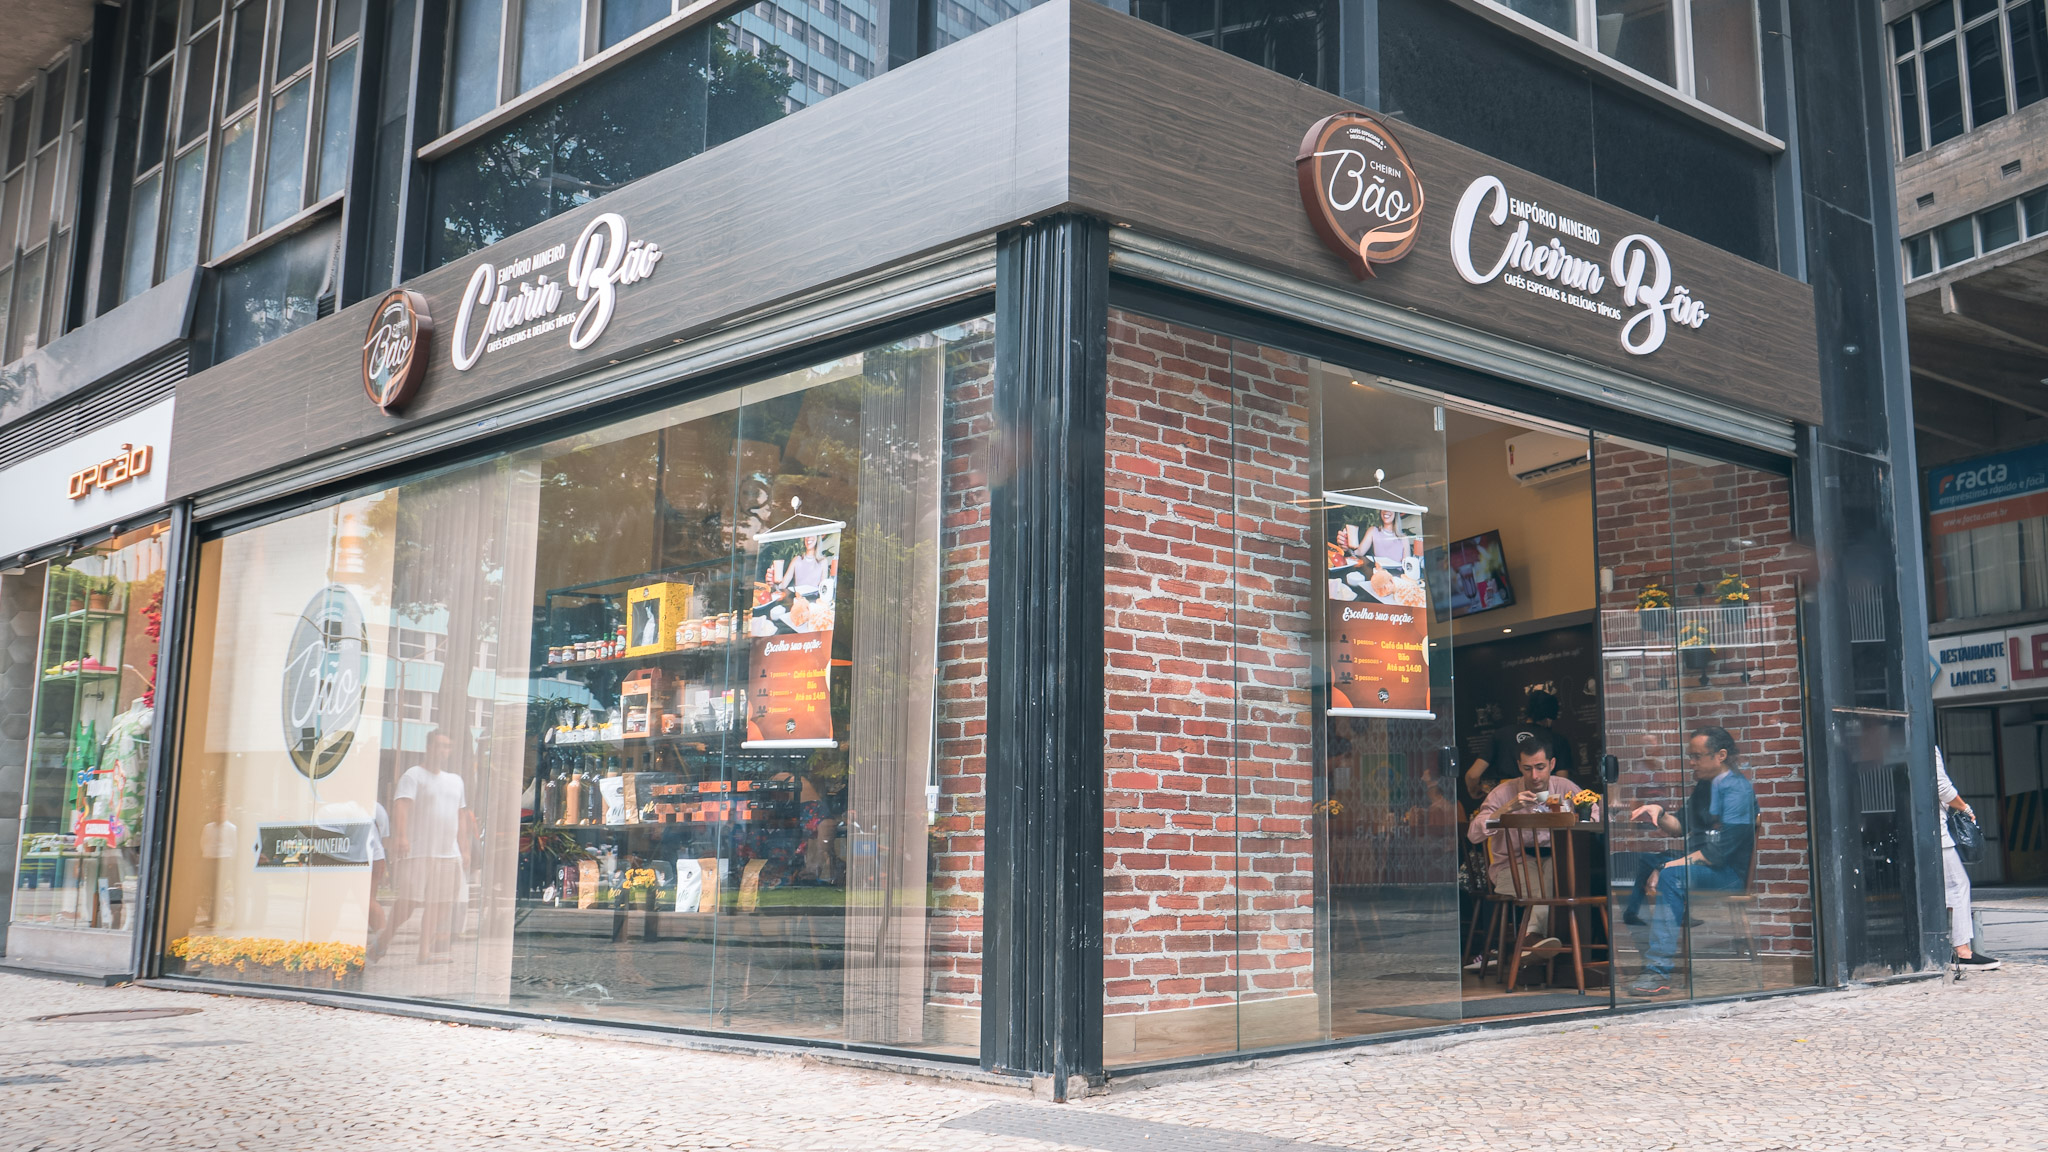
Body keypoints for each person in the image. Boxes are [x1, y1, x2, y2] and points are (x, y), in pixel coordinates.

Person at [1624, 725, 1756, 997]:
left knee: (1671, 875)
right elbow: (1679, 826)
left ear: (1720, 755)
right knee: (1646, 861)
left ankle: (1658, 971)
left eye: (1697, 756)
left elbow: (1717, 854)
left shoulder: (1738, 791)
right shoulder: (1706, 786)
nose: (1692, 762)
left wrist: (1670, 867)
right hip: (1700, 866)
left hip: (1726, 873)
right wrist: (1658, 813)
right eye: (1690, 756)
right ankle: (1652, 945)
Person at [1466, 731, 1589, 957]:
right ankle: (1537, 944)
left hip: (1554, 859)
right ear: (1518, 766)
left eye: (1540, 767)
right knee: (1547, 884)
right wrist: (1506, 810)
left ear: (1552, 764)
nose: (1534, 775)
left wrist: (1576, 813)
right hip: (1512, 867)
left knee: (1560, 873)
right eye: (1527, 768)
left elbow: (1596, 817)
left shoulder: (1565, 788)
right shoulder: (1503, 793)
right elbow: (1473, 834)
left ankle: (1538, 947)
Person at [388, 731, 477, 963]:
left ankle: (424, 952)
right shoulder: (413, 775)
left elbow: (461, 817)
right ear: (428, 747)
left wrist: (465, 849)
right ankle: (386, 935)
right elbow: (401, 807)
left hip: (448, 854)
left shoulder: (456, 780)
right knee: (408, 903)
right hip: (419, 851)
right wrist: (401, 836)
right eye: (439, 746)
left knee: (442, 903)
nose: (443, 751)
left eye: (448, 747)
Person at [1937, 746, 1999, 971]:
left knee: (1941, 890)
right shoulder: (1924, 743)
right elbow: (1942, 787)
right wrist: (1964, 807)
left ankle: (1947, 946)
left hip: (1919, 834)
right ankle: (1962, 951)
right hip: (1937, 836)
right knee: (1958, 885)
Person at [1463, 688, 1576, 800]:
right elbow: (1562, 783)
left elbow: (1473, 775)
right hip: (1542, 802)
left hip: (1505, 800)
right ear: (1550, 718)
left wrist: (1474, 792)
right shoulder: (1557, 740)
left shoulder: (1501, 734)